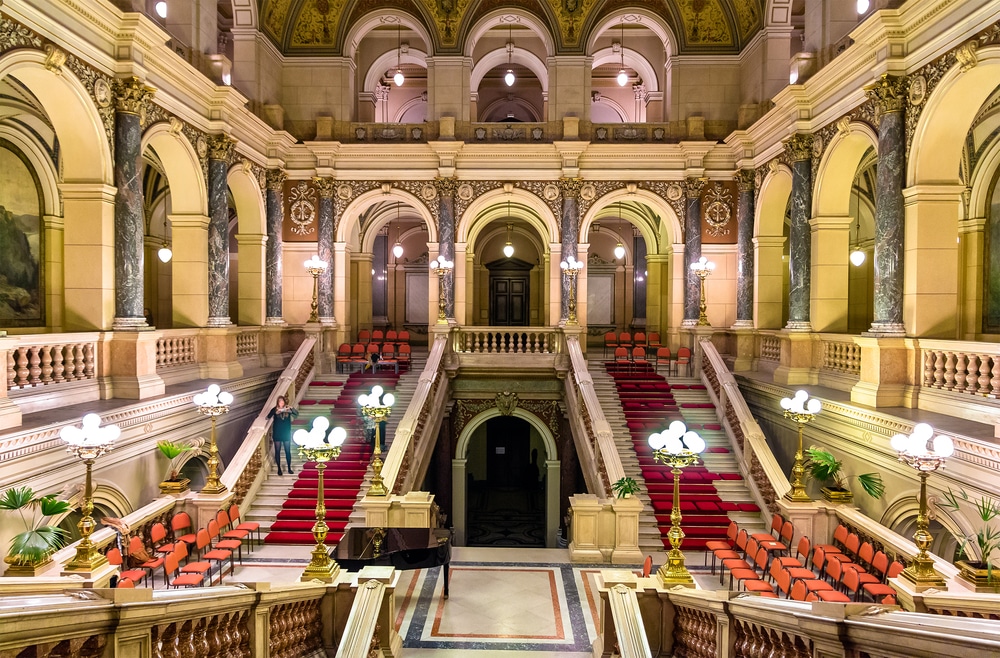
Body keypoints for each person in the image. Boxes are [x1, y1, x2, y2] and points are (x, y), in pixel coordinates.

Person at [267, 395, 298, 475]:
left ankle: (289, 468)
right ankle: (279, 469)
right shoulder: (275, 409)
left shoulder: (288, 409)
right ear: (278, 402)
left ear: (284, 402)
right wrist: (276, 412)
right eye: (280, 402)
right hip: (277, 432)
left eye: (282, 401)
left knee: (288, 451)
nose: (281, 403)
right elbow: (267, 417)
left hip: (286, 432)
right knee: (277, 451)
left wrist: (291, 408)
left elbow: (296, 414)